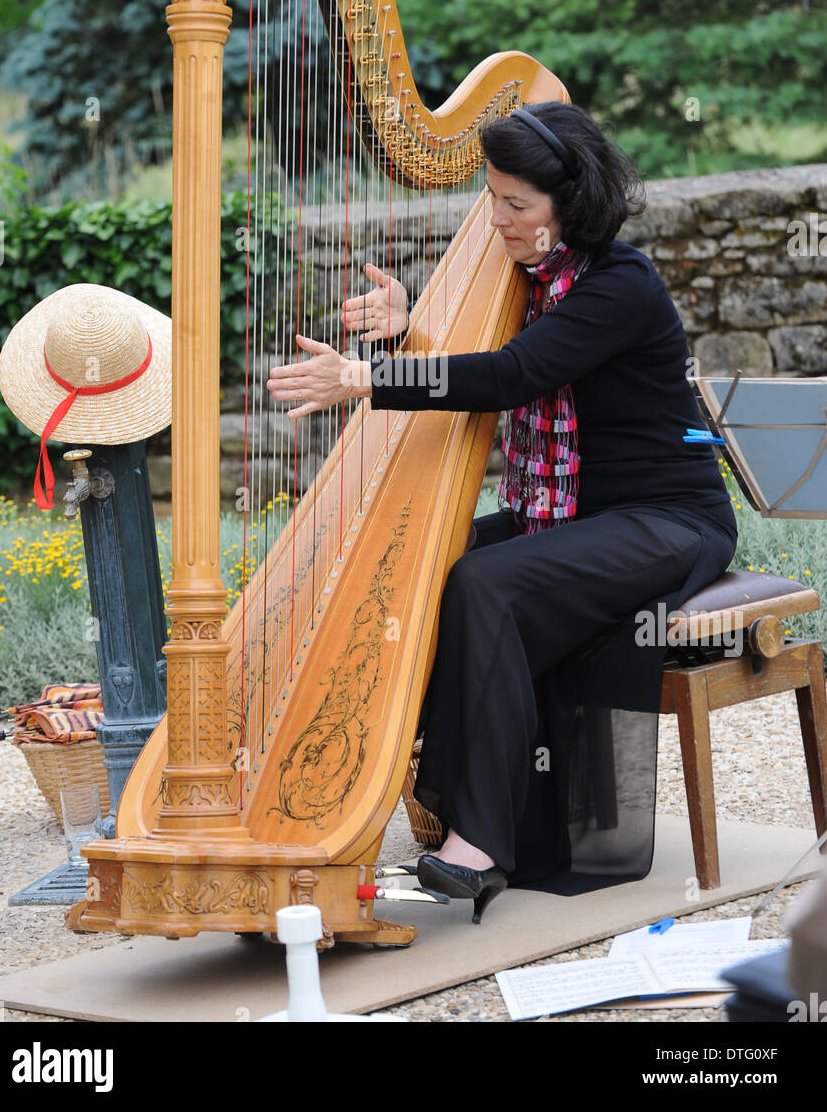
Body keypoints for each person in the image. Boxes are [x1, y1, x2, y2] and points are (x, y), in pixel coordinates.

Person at [267, 101, 737, 923]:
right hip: (566, 515)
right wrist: (410, 325)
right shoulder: (521, 283)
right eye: (491, 199)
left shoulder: (618, 285)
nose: (498, 220)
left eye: (516, 205)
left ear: (572, 203)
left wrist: (367, 379)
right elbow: (479, 356)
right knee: (407, 567)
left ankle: (479, 841)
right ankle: (353, 788)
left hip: (664, 517)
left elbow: (512, 374)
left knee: (486, 583)